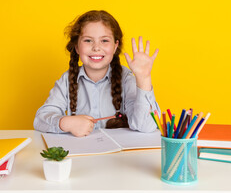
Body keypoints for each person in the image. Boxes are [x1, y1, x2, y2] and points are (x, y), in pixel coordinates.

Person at [33, 10, 161, 137]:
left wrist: (144, 79)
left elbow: (146, 126)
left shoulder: (126, 78)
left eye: (104, 41)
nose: (96, 47)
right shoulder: (67, 79)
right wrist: (65, 123)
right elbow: (40, 120)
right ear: (77, 47)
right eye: (88, 40)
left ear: (115, 46)